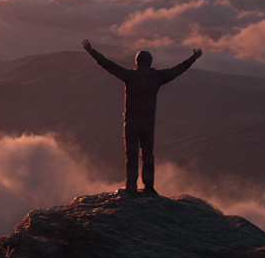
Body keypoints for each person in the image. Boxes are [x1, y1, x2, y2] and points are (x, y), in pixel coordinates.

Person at [82, 39, 202, 196]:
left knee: (131, 155)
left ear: (137, 62)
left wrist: (92, 52)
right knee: (148, 155)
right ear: (150, 62)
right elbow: (178, 69)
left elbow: (109, 65)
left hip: (131, 122)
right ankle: (149, 188)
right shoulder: (158, 77)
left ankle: (131, 187)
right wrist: (193, 58)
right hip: (148, 123)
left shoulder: (130, 76)